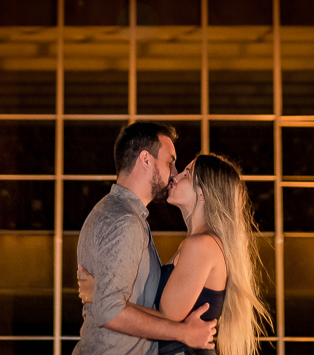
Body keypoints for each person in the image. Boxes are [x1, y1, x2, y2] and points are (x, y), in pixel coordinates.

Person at [79, 152, 271, 355]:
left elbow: (167, 318)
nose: (175, 176)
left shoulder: (201, 245)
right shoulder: (201, 243)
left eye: (187, 174)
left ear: (203, 193)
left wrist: (101, 296)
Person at [74, 121, 218, 355]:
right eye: (170, 161)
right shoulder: (125, 221)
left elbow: (112, 304)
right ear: (145, 159)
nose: (174, 172)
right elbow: (109, 311)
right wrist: (184, 333)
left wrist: (98, 294)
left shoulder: (113, 211)